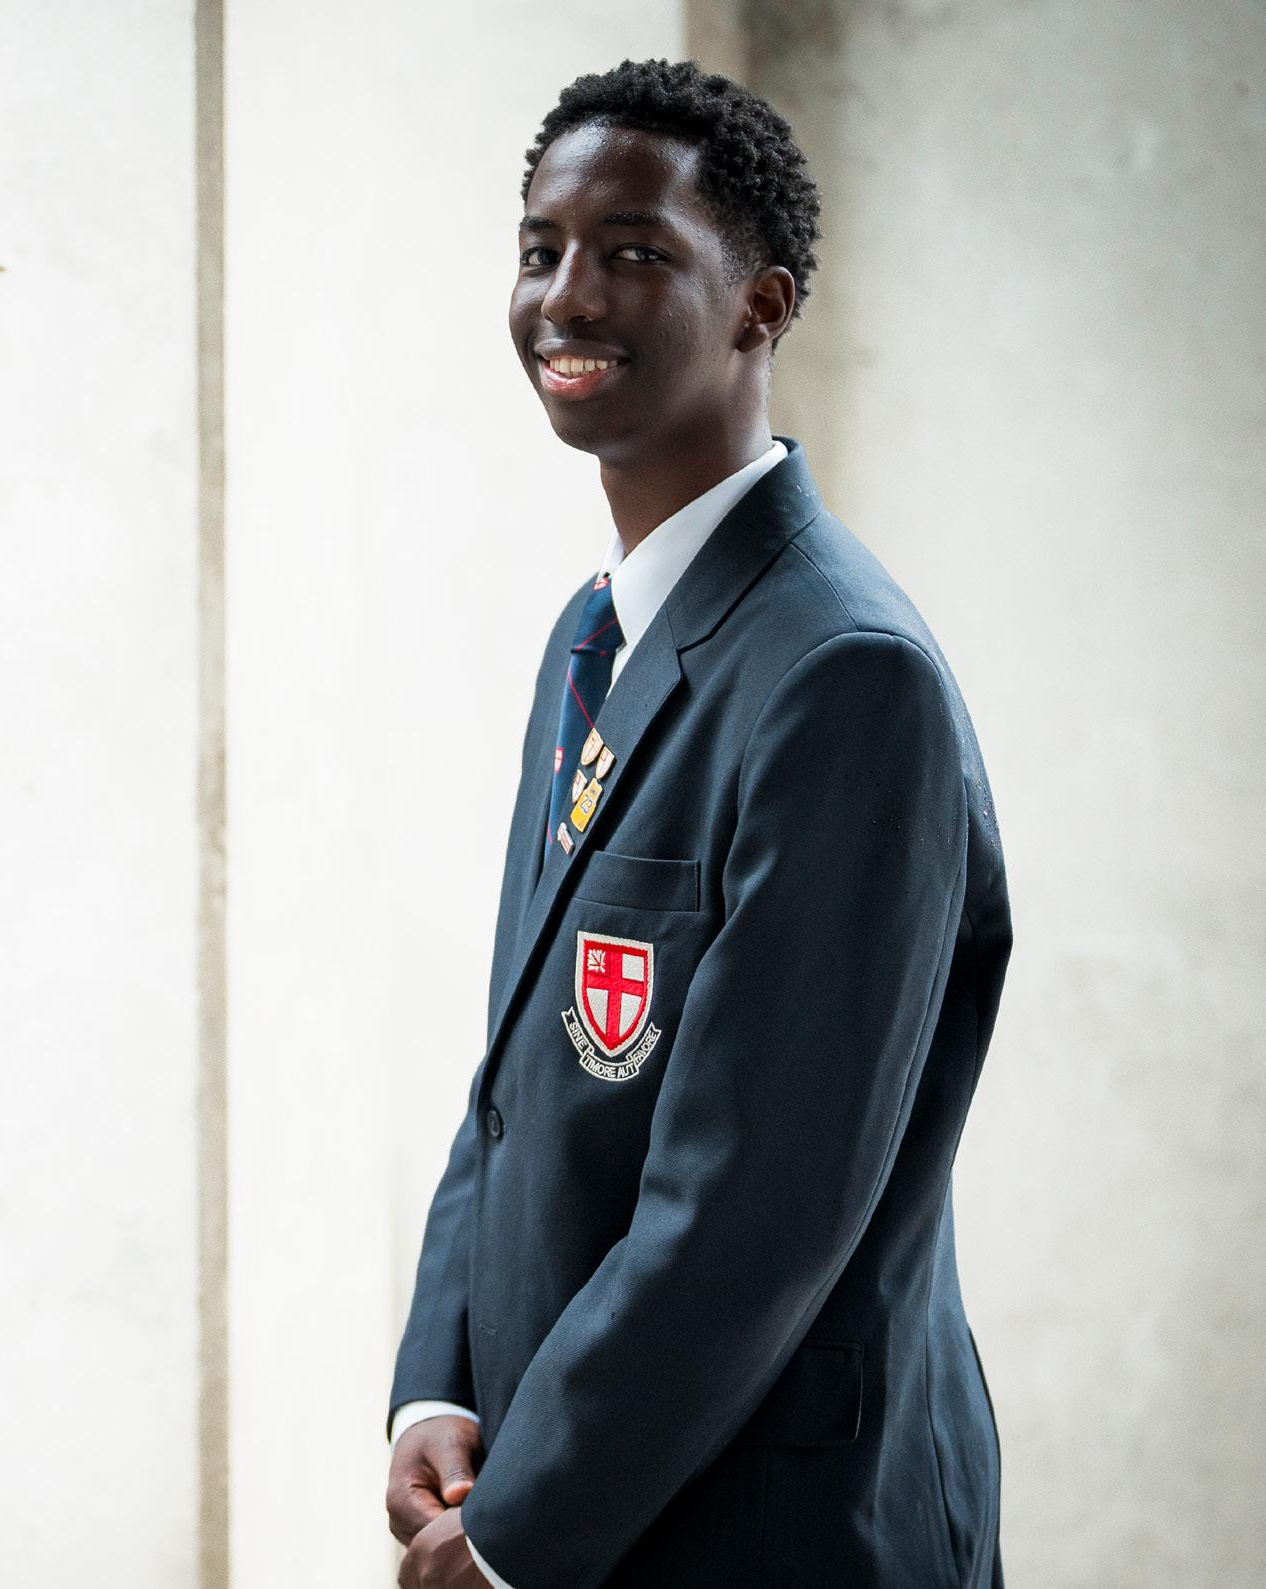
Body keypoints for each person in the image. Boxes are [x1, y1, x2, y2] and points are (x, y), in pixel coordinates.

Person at [383, 60, 1008, 1589]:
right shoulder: (593, 638)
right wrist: (440, 1377)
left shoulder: (842, 676)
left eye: (633, 252)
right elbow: (517, 1077)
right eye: (540, 249)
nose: (566, 297)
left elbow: (752, 1209)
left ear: (760, 305)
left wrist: (522, 1531)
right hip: (589, 1484)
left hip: (774, 1530)